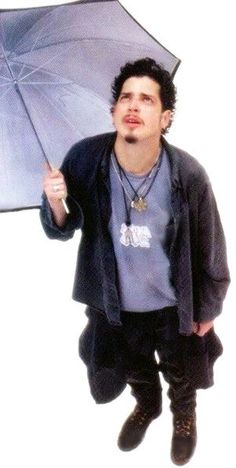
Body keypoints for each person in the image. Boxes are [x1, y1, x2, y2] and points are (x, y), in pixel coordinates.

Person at [40, 58, 230, 465]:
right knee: (133, 365)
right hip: (116, 302)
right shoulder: (86, 159)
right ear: (113, 111)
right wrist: (55, 198)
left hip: (171, 302)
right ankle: (147, 403)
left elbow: (212, 247)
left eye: (146, 99)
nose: (133, 105)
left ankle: (183, 414)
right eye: (126, 97)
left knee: (180, 368)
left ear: (165, 117)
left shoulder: (188, 174)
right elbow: (63, 227)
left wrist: (209, 308)